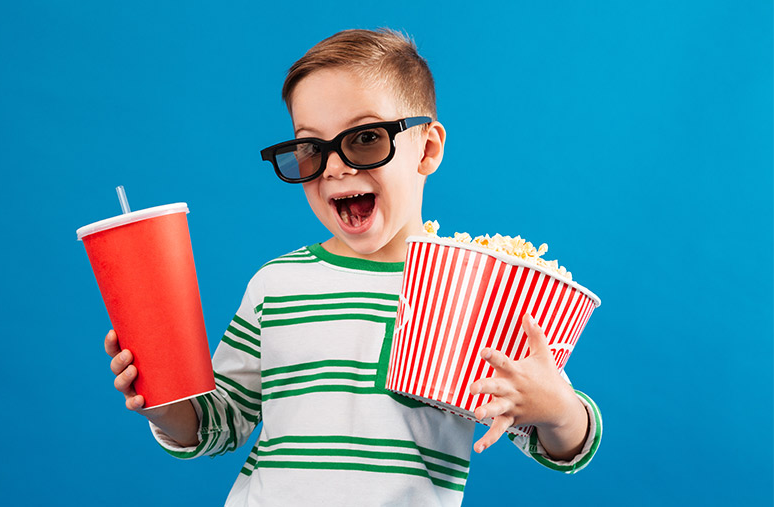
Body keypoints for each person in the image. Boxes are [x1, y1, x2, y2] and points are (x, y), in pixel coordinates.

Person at [104, 28, 602, 506]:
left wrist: (558, 409)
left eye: (365, 138)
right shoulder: (276, 286)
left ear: (426, 148)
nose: (336, 167)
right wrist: (165, 402)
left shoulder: (470, 290)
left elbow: (556, 441)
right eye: (310, 149)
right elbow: (220, 420)